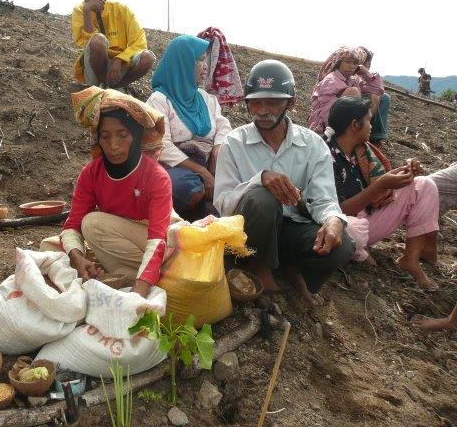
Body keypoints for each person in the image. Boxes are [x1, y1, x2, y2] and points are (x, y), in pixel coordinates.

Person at [214, 60, 354, 306]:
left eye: (273, 102)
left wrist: (333, 220)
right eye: (255, 102)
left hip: (291, 230)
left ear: (291, 103)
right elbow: (223, 204)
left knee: (342, 246)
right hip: (248, 230)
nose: (262, 110)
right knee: (262, 198)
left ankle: (290, 268)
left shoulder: (313, 145)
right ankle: (256, 265)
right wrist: (260, 179)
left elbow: (324, 199)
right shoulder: (234, 143)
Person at [44, 86, 173, 298]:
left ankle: (135, 276)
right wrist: (77, 258)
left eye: (122, 135)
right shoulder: (91, 174)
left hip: (155, 240)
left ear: (136, 137)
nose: (113, 145)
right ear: (98, 140)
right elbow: (71, 225)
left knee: (93, 224)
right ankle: (125, 274)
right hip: (119, 240)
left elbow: (158, 238)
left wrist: (138, 293)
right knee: (48, 247)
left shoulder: (156, 177)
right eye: (105, 137)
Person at [323, 96, 440, 290]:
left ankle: (410, 259)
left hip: (368, 218)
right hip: (344, 223)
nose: (372, 125)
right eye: (369, 120)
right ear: (354, 124)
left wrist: (404, 173)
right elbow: (337, 210)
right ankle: (358, 250)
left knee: (425, 185)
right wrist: (379, 186)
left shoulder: (362, 151)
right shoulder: (327, 156)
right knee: (351, 229)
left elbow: (380, 183)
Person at [146, 35, 232, 218]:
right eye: (200, 59)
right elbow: (163, 146)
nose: (206, 66)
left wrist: (217, 149)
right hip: (176, 167)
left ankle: (206, 210)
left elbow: (223, 125)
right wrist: (202, 172)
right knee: (184, 187)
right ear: (183, 63)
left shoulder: (206, 98)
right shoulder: (160, 100)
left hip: (207, 161)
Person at [72, 0, 155, 89]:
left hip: (119, 68)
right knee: (97, 40)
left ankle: (118, 87)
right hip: (94, 67)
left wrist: (119, 59)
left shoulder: (122, 9)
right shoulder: (80, 10)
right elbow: (85, 43)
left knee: (148, 57)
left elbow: (139, 42)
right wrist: (87, 12)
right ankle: (103, 84)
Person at [309, 46, 384, 134]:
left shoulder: (353, 79)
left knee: (374, 98)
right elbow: (326, 111)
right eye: (348, 62)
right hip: (325, 128)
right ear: (338, 63)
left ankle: (357, 129)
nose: (352, 66)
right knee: (353, 92)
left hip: (346, 123)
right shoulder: (330, 80)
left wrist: (366, 73)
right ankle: (348, 133)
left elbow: (377, 91)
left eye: (355, 63)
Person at [358, 47, 390, 144]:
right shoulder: (349, 73)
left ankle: (376, 134)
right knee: (374, 98)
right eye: (365, 62)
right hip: (353, 101)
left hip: (368, 103)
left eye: (368, 62)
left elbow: (378, 90)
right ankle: (371, 132)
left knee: (384, 97)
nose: (367, 65)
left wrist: (365, 74)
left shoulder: (371, 75)